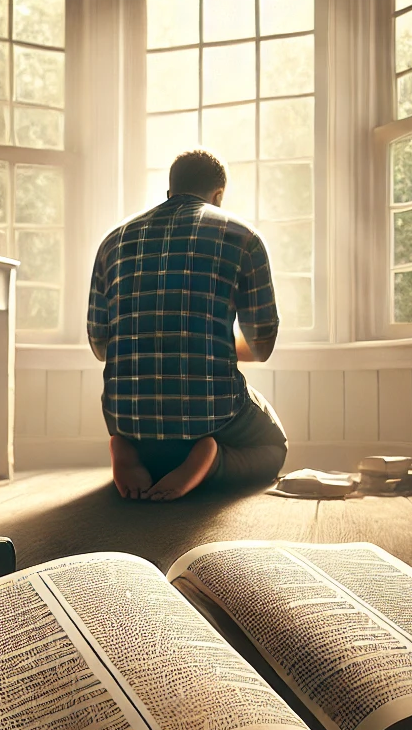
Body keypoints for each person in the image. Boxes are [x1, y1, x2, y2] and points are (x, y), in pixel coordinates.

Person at [87, 149, 290, 501]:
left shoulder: (113, 241)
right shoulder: (243, 237)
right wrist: (208, 342)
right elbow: (261, 346)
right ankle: (210, 461)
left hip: (126, 415)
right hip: (209, 411)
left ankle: (127, 449)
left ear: (170, 192)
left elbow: (100, 345)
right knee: (274, 449)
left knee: (158, 430)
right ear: (218, 196)